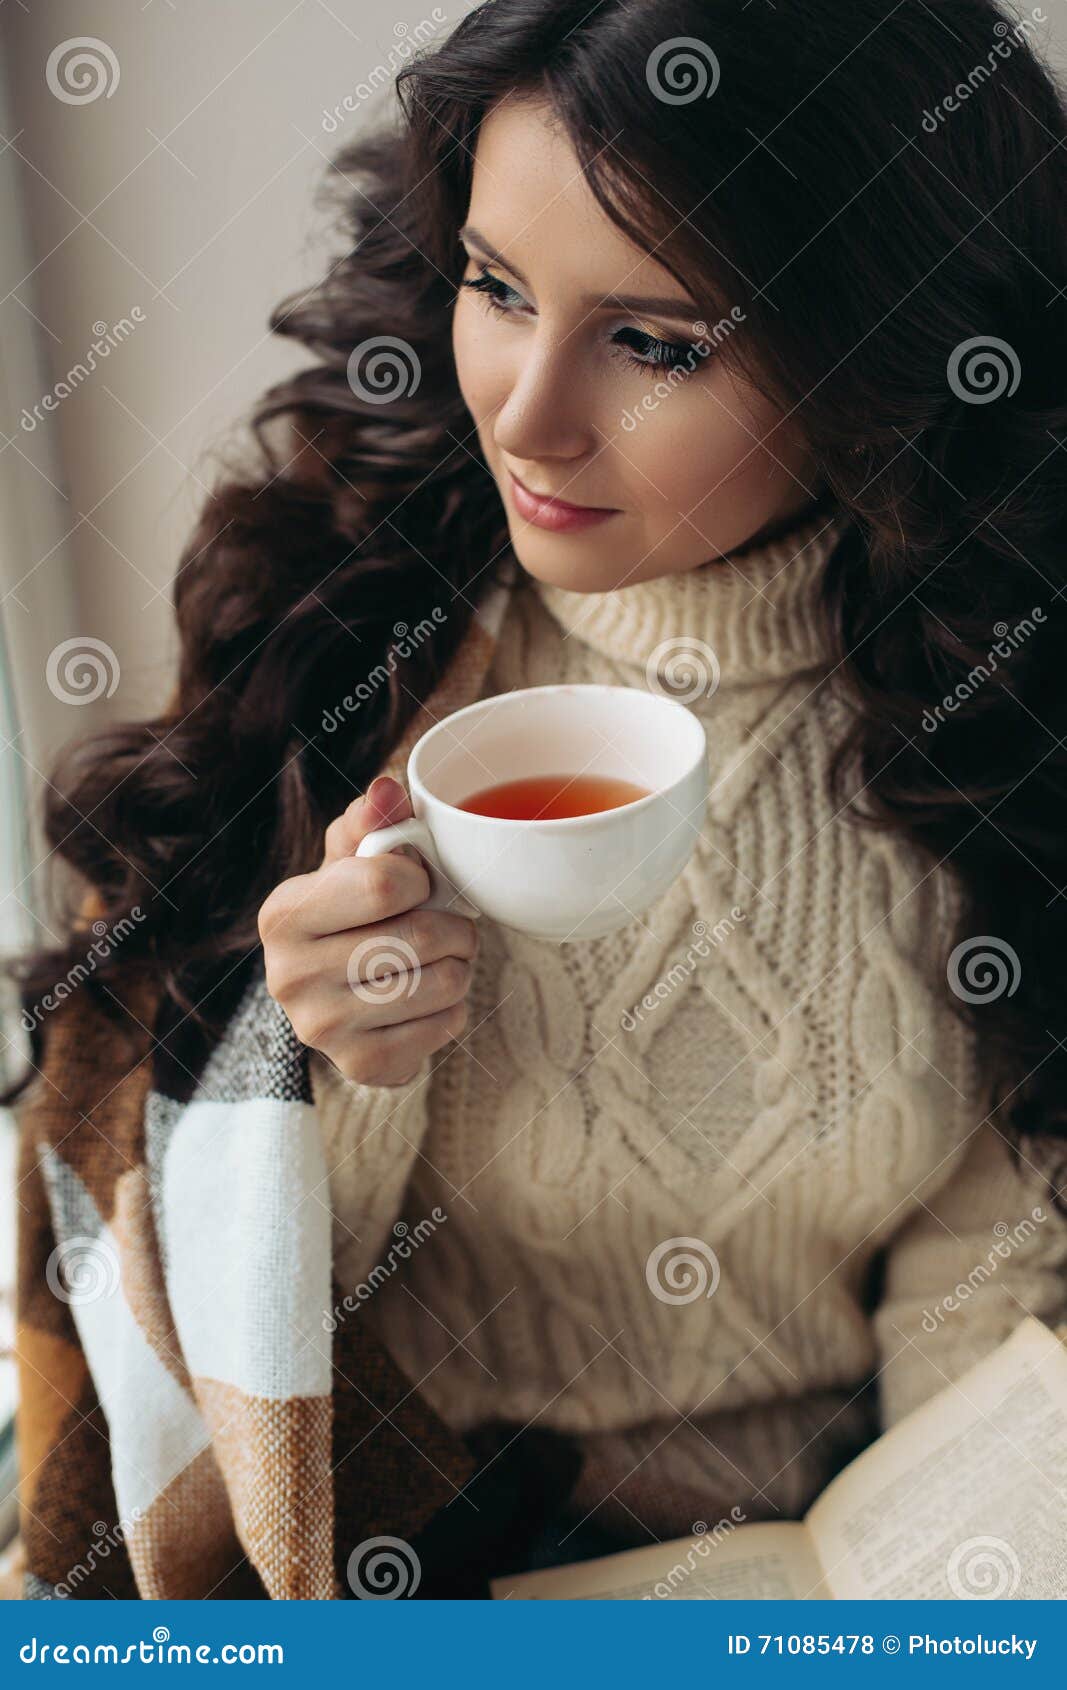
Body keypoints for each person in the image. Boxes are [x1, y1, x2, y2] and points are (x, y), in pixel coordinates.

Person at [6, 0, 1067, 1597]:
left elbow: (979, 1271)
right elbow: (249, 1372)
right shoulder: (341, 651)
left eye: (654, 341)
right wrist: (317, 1072)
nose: (524, 410)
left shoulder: (994, 697)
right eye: (496, 288)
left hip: (845, 1531)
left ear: (881, 350)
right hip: (431, 1548)